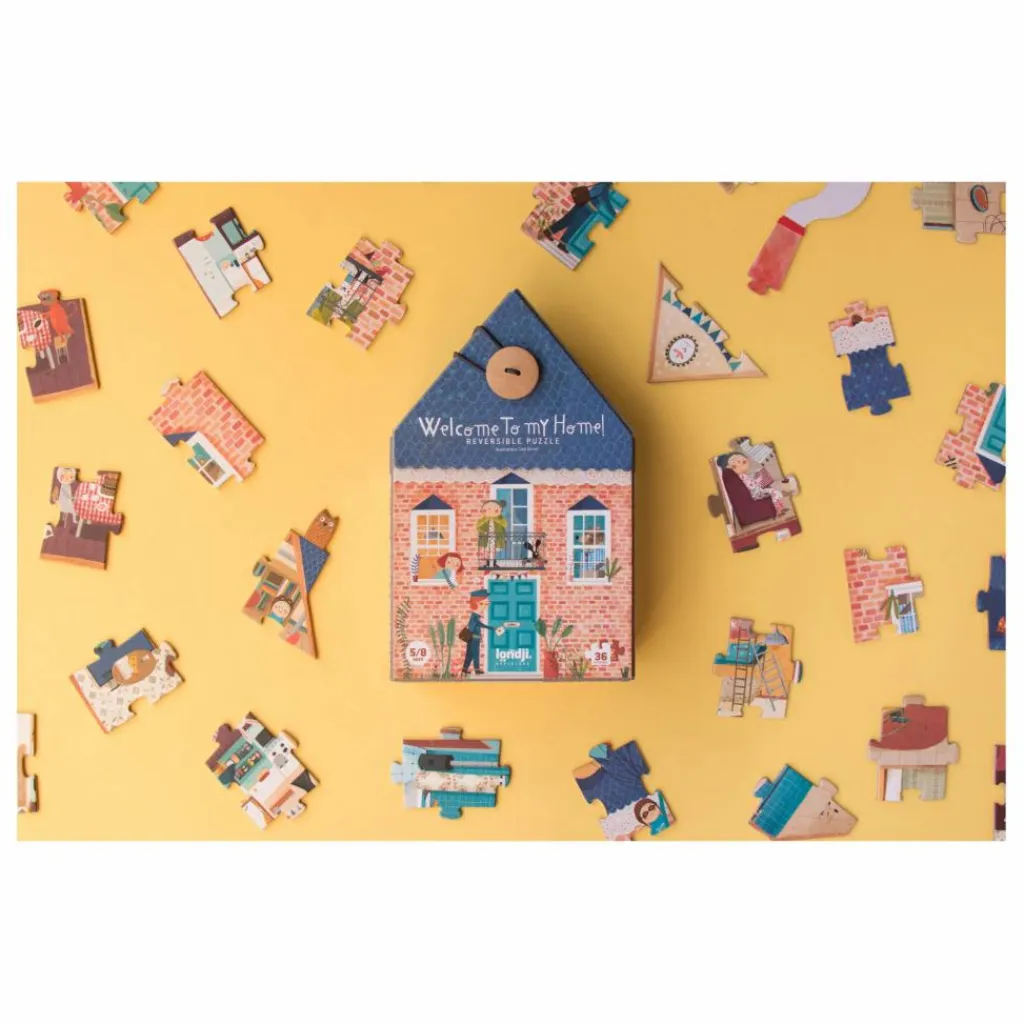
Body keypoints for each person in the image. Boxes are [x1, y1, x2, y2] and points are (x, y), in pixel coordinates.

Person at [716, 451, 796, 517]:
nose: (741, 460)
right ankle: (779, 509)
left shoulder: (743, 475)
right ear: (730, 467)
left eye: (742, 458)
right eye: (736, 462)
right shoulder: (738, 477)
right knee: (774, 492)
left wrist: (759, 480)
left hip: (758, 491)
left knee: (775, 491)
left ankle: (780, 507)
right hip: (756, 494)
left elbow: (752, 483)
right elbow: (750, 487)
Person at [461, 589, 503, 676]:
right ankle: (477, 670)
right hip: (474, 638)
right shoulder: (475, 616)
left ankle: (464, 669)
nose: (486, 606)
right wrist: (493, 628)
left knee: (470, 654)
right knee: (475, 653)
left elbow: (476, 626)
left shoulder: (475, 615)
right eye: (485, 603)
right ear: (479, 603)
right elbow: (479, 625)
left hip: (472, 637)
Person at [476, 499, 507, 568]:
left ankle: (493, 562)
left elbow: (504, 524)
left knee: (493, 550)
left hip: (495, 538)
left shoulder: (500, 518)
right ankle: (487, 563)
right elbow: (478, 526)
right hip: (486, 537)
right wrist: (484, 530)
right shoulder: (484, 519)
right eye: (487, 509)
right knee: (487, 550)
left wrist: (497, 520)